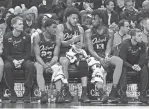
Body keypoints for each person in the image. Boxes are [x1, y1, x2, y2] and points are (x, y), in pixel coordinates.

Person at [85, 10, 123, 103]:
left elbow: (109, 47)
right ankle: (102, 92)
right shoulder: (88, 32)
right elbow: (90, 49)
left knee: (119, 61)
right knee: (98, 67)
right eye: (92, 19)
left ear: (101, 19)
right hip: (93, 56)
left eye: (94, 19)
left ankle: (113, 91)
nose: (92, 21)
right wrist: (100, 59)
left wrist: (106, 57)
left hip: (105, 54)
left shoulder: (109, 32)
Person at [56, 7, 90, 103]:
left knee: (83, 62)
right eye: (73, 18)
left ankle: (84, 93)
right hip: (64, 51)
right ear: (67, 18)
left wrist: (80, 45)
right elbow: (61, 43)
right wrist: (72, 40)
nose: (75, 20)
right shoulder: (61, 27)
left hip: (76, 52)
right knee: (65, 62)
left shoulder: (80, 29)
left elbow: (82, 44)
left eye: (76, 18)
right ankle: (66, 91)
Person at [3, 16, 35, 103]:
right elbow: (6, 54)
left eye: (22, 24)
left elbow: (28, 53)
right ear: (14, 25)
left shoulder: (27, 36)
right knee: (7, 66)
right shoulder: (7, 37)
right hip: (12, 60)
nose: (22, 26)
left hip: (23, 59)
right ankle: (12, 93)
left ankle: (27, 93)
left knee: (31, 65)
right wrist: (14, 61)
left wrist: (22, 61)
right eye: (19, 24)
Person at [33, 19, 63, 103]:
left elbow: (56, 56)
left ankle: (59, 94)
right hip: (40, 61)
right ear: (47, 28)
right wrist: (44, 65)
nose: (55, 30)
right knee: (39, 67)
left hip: (51, 61)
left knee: (58, 68)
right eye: (53, 27)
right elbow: (37, 56)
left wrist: (49, 64)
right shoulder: (37, 37)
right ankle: (43, 94)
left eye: (56, 28)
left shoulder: (57, 38)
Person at [119, 28, 148, 103]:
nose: (141, 37)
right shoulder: (125, 44)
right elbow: (122, 60)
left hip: (137, 65)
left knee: (144, 69)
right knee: (122, 69)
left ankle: (143, 95)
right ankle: (123, 95)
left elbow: (143, 58)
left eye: (141, 35)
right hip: (126, 64)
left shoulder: (142, 44)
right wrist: (131, 66)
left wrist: (139, 65)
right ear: (132, 37)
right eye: (139, 36)